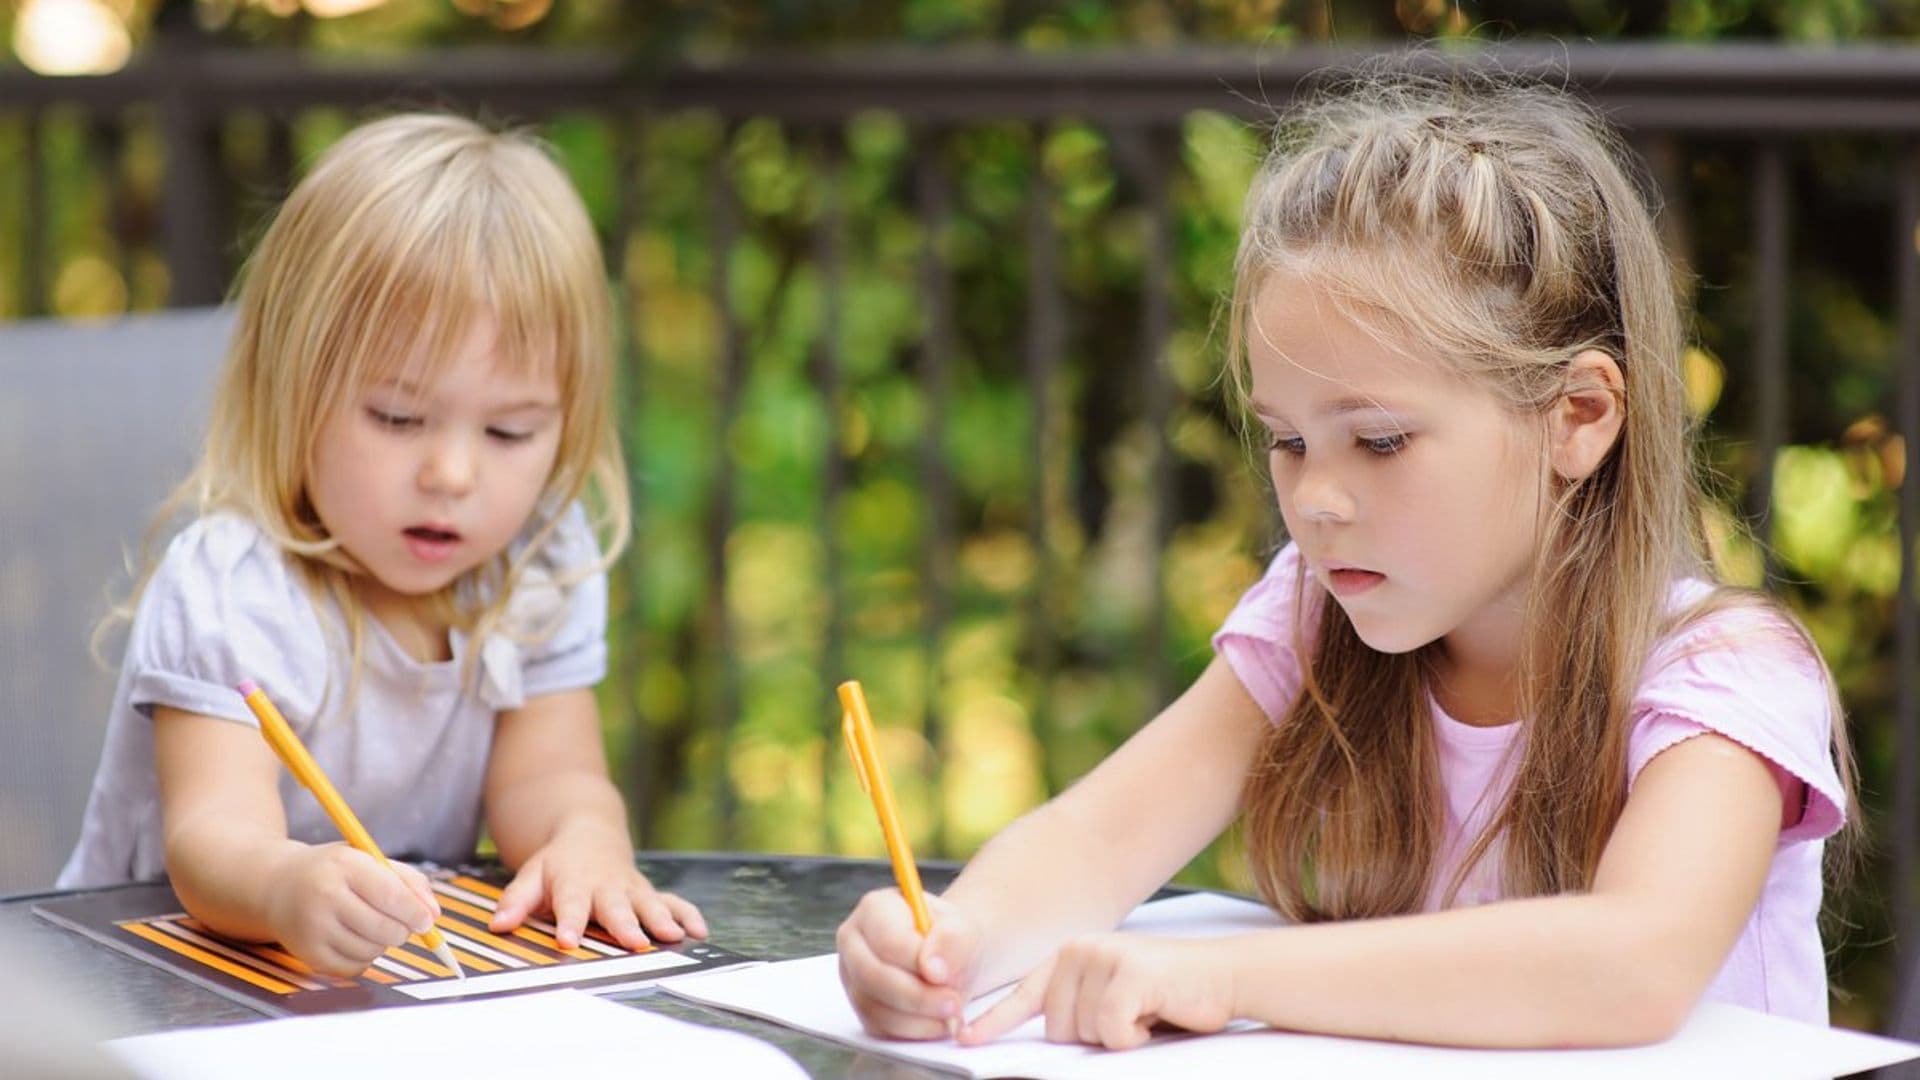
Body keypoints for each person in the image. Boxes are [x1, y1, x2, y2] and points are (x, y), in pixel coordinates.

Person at [836, 70, 1858, 1050]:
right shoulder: (1317, 614)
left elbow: (1634, 961)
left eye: (1378, 441)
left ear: (1579, 417)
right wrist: (951, 943)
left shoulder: (1721, 671)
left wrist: (1228, 980)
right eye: (1287, 440)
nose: (1314, 501)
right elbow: (1100, 840)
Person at [58, 113, 706, 977]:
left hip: (365, 995)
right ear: (292, 384)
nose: (452, 473)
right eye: (398, 418)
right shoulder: (236, 586)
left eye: (511, 432)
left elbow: (547, 779)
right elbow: (211, 838)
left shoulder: (537, 565)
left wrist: (584, 840)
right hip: (144, 986)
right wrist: (288, 884)